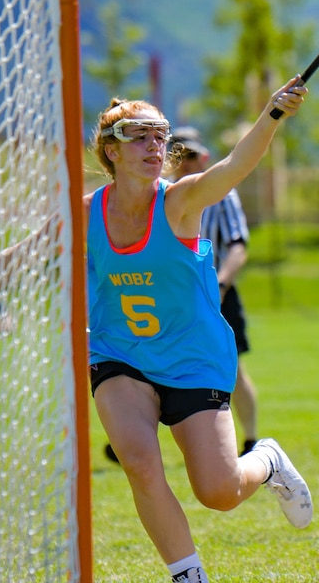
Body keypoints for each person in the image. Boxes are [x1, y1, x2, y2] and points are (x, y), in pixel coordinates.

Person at [0, 79, 315, 583]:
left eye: (161, 136)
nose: (154, 147)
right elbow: (13, 260)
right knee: (139, 461)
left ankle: (266, 461)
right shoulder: (86, 213)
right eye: (138, 137)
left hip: (192, 358)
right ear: (111, 150)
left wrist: (271, 115)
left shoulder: (180, 201)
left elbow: (232, 167)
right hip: (119, 354)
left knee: (218, 492)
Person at [105, 127, 260, 462]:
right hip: (168, 294)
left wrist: (220, 285)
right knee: (142, 358)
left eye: (191, 155)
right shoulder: (158, 196)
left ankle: (251, 440)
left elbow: (238, 247)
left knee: (232, 369)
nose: (185, 162)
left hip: (215, 290)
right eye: (180, 155)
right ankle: (133, 433)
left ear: (203, 157)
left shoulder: (220, 194)